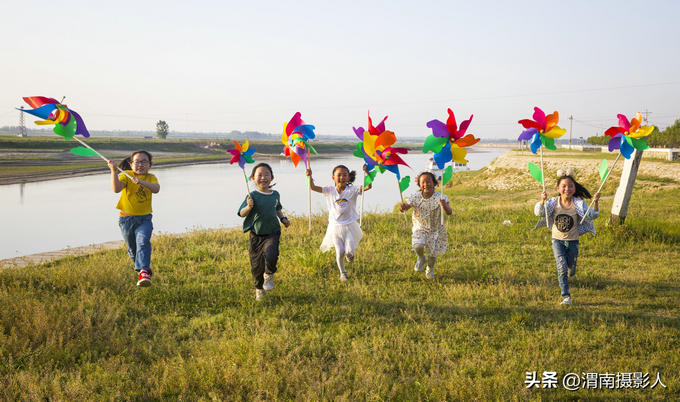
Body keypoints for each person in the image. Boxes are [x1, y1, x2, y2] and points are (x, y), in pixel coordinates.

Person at [534, 169, 600, 306]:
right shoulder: (553, 202)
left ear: (574, 189)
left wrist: (595, 202)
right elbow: (539, 213)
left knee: (571, 268)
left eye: (570, 186)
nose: (567, 189)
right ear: (558, 189)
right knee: (561, 267)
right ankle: (566, 296)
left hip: (573, 241)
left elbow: (591, 216)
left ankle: (572, 267)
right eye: (563, 186)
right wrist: (542, 200)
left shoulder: (578, 204)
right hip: (557, 240)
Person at [306, 165, 371, 281]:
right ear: (333, 178)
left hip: (349, 226)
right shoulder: (329, 190)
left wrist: (367, 173)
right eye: (339, 175)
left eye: (345, 175)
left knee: (349, 252)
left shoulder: (353, 190)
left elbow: (368, 187)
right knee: (340, 251)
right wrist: (309, 177)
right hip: (334, 228)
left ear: (348, 177)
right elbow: (312, 187)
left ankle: (350, 255)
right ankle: (343, 273)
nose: (342, 177)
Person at [238, 163, 290, 301]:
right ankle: (259, 289)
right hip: (256, 235)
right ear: (253, 178)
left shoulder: (275, 194)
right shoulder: (252, 196)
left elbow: (277, 209)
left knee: (271, 254)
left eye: (267, 174)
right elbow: (241, 213)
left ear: (272, 177)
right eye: (259, 175)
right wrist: (249, 207)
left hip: (272, 232)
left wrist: (283, 219)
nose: (263, 177)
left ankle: (269, 273)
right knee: (256, 265)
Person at [108, 150, 160, 287]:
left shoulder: (151, 177)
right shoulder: (126, 175)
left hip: (144, 219)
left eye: (144, 162)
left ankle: (143, 272)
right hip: (126, 220)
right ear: (131, 164)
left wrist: (141, 182)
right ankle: (144, 269)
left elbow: (156, 189)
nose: (140, 165)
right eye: (137, 162)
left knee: (143, 242)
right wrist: (113, 171)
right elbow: (116, 189)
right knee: (132, 249)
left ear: (150, 165)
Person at [399, 172, 452, 279]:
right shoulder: (415, 197)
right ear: (419, 185)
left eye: (429, 181)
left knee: (432, 255)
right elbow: (406, 207)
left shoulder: (441, 197)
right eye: (423, 182)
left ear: (434, 183)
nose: (426, 184)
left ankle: (430, 269)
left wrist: (444, 205)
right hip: (420, 227)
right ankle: (421, 258)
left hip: (435, 230)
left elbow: (449, 212)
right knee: (418, 245)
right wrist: (403, 207)